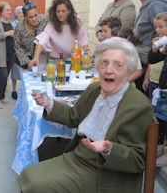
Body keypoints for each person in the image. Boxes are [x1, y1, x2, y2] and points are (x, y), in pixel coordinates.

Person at [18, 37, 154, 193]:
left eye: (118, 65)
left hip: (104, 171)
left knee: (36, 186)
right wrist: (49, 103)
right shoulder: (95, 89)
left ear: (128, 71)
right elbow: (73, 116)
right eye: (104, 63)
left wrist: (108, 148)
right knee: (29, 174)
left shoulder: (138, 106)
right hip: (79, 156)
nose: (109, 70)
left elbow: (137, 160)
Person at [33, 0, 89, 67]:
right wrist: (36, 57)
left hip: (74, 60)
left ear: (69, 11)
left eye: (63, 11)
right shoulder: (52, 24)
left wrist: (87, 57)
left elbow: (83, 40)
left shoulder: (77, 22)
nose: (60, 14)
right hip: (57, 61)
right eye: (58, 11)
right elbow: (42, 40)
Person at [134, 0, 167, 93]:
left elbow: (161, 30)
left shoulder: (156, 5)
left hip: (149, 54)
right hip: (150, 54)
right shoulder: (152, 3)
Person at [13, 0, 47, 100]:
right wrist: (28, 63)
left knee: (41, 84)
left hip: (41, 58)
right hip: (26, 60)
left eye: (36, 15)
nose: (34, 19)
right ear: (25, 17)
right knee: (28, 87)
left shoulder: (43, 19)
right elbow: (17, 47)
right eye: (31, 17)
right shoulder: (19, 27)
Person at [147, 12, 167, 167]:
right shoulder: (163, 44)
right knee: (160, 120)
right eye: (156, 27)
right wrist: (155, 47)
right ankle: (159, 148)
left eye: (161, 27)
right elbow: (152, 60)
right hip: (162, 89)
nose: (157, 31)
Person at [99, 16, 142, 83]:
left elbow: (138, 71)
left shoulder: (129, 51)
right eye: (102, 31)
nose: (102, 34)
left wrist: (124, 80)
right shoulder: (106, 48)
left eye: (105, 31)